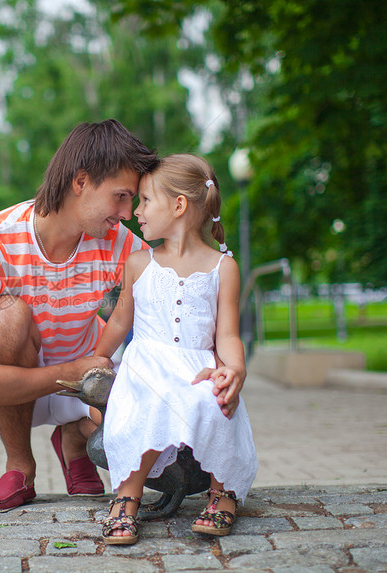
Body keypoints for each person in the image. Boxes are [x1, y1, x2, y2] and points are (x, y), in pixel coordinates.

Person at [0, 119, 161, 513]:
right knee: (8, 316)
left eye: (132, 200)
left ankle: (73, 441)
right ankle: (20, 467)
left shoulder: (119, 243)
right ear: (81, 182)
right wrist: (77, 370)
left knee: (137, 420)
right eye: (120, 197)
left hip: (83, 382)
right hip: (16, 383)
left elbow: (169, 299)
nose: (128, 213)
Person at [92, 154, 258, 544]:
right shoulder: (139, 262)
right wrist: (99, 359)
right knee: (146, 407)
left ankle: (224, 493)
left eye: (146, 201)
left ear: (179, 205)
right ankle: (127, 498)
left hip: (197, 366)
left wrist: (233, 369)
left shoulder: (223, 268)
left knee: (215, 400)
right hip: (146, 367)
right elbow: (120, 319)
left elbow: (228, 335)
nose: (136, 212)